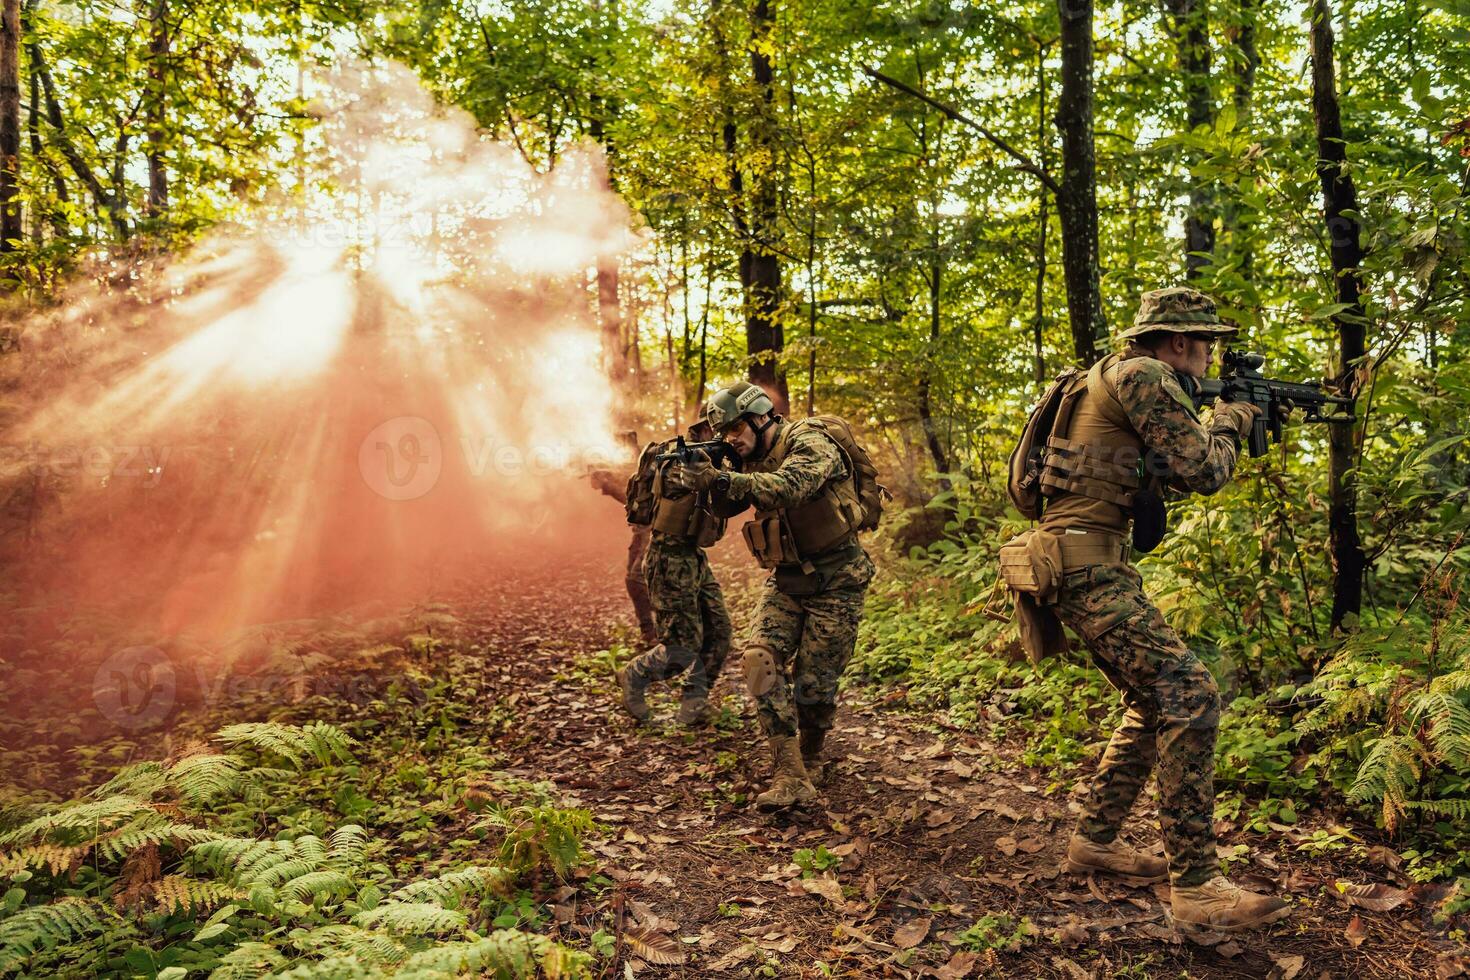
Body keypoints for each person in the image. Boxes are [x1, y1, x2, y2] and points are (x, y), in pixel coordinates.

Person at [1029, 286, 1288, 933]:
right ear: (1180, 343)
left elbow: (1164, 473)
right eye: (1206, 348)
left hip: (1081, 560)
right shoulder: (1146, 375)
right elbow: (1202, 471)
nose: (1208, 361)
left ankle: (1095, 838)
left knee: (1156, 697)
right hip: (1084, 565)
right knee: (1190, 691)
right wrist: (1231, 418)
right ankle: (1197, 886)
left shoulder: (1110, 379)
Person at [665, 382, 874, 810]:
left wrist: (723, 477)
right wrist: (704, 480)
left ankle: (813, 753)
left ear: (761, 416)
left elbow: (788, 487)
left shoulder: (810, 440)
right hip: (787, 578)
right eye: (724, 434)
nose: (730, 440)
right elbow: (727, 508)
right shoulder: (745, 456)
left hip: (838, 578)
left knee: (815, 683)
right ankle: (789, 772)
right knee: (759, 659)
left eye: (736, 429)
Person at [613, 414, 733, 726]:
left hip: (692, 558)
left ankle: (694, 705)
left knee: (719, 632)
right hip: (669, 561)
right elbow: (714, 489)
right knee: (683, 648)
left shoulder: (711, 456)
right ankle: (634, 674)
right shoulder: (681, 459)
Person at [588, 430, 657, 645]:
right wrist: (605, 482)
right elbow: (631, 502)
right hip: (642, 530)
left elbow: (640, 503)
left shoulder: (648, 464)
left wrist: (607, 485)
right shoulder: (628, 468)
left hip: (655, 529)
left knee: (638, 578)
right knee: (635, 579)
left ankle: (657, 630)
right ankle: (651, 631)